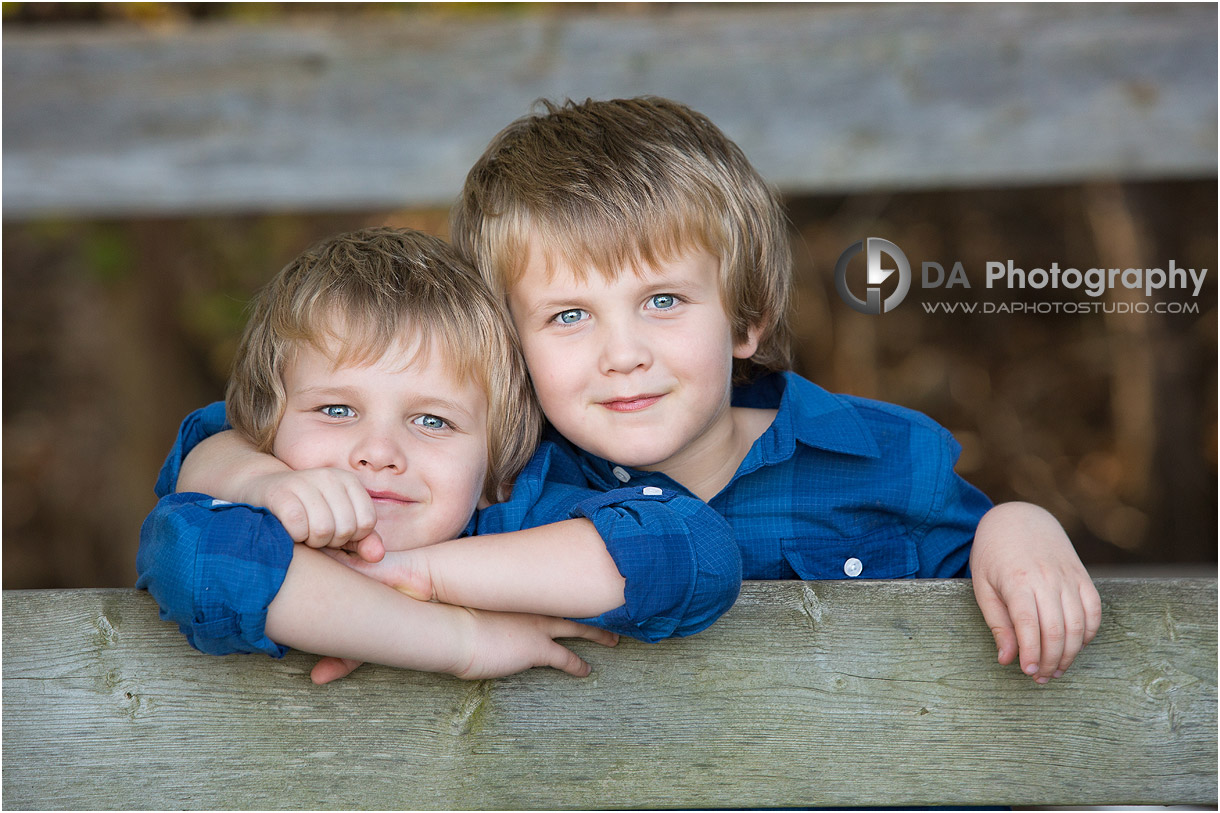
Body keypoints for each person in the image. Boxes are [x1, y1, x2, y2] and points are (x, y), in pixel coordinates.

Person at [166, 97, 1102, 685]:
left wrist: (1015, 523)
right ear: (503, 350)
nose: (622, 354)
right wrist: (252, 481)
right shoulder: (498, 472)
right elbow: (240, 441)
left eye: (660, 300)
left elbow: (979, 568)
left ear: (743, 317)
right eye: (568, 316)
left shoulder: (880, 454)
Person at [137, 226, 622, 682]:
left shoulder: (523, 511)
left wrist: (415, 576)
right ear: (265, 434)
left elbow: (678, 544)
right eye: (337, 409)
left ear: (498, 471)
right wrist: (462, 640)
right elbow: (193, 555)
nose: (379, 452)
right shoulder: (258, 512)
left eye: (433, 421)